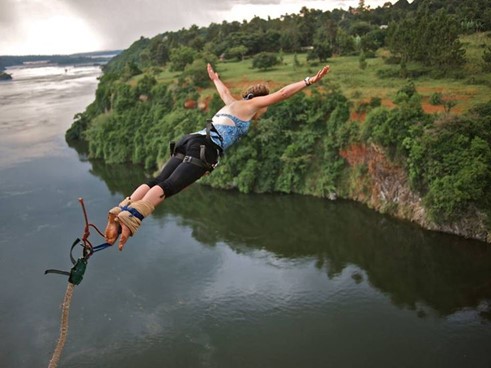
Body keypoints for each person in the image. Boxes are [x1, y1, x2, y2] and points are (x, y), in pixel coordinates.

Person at [105, 63, 330, 250]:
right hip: (206, 148)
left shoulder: (233, 103)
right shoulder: (251, 106)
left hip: (189, 140)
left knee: (156, 181)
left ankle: (122, 209)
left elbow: (222, 90)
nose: (265, 107)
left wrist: (214, 78)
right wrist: (309, 81)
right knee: (169, 186)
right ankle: (133, 216)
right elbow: (282, 94)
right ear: (260, 99)